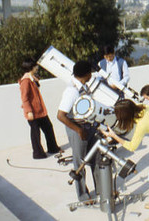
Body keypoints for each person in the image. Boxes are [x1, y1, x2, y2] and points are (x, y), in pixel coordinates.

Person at [57, 60, 98, 202]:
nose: (92, 75)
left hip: (88, 126)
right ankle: (83, 196)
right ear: (86, 74)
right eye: (90, 73)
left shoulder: (83, 86)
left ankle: (101, 189)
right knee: (80, 163)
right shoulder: (72, 91)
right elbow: (60, 116)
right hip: (77, 129)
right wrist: (79, 130)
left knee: (96, 158)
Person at [18, 58, 61, 159]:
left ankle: (53, 148)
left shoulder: (31, 78)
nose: (37, 68)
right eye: (35, 66)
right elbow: (25, 98)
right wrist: (29, 111)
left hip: (40, 111)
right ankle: (38, 153)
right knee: (36, 134)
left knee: (48, 128)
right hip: (33, 112)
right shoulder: (25, 81)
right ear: (31, 68)